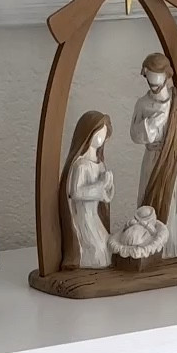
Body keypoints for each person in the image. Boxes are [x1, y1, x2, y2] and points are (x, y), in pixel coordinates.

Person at [129, 52, 177, 258]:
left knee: (174, 206)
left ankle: (174, 248)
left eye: (159, 85)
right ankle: (152, 250)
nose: (155, 89)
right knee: (150, 203)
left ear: (167, 78)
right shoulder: (143, 104)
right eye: (151, 84)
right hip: (152, 161)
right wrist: (152, 124)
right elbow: (135, 134)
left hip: (173, 162)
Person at [59, 111, 114, 269]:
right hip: (83, 216)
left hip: (94, 215)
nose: (102, 138)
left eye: (104, 134)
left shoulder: (100, 164)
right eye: (99, 133)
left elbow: (106, 196)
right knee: (97, 253)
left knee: (107, 249)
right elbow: (76, 192)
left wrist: (108, 184)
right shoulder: (81, 165)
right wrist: (100, 185)